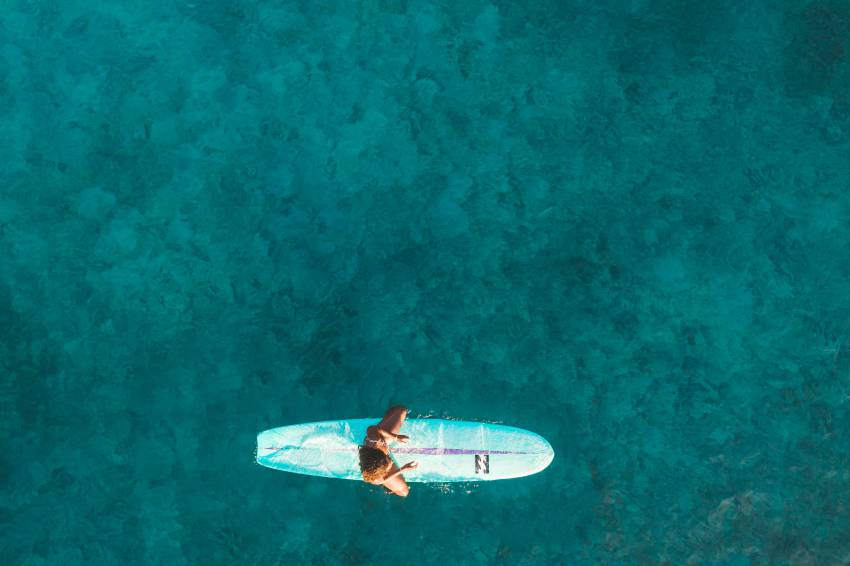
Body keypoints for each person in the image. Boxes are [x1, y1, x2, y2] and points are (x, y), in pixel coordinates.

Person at [359, 405, 418, 496]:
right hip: (378, 464)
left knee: (401, 410)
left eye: (389, 462)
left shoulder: (375, 441)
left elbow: (372, 429)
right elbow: (379, 481)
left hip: (380, 444)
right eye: (389, 464)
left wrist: (396, 437)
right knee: (404, 492)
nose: (391, 462)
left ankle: (389, 415)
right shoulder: (374, 476)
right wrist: (403, 469)